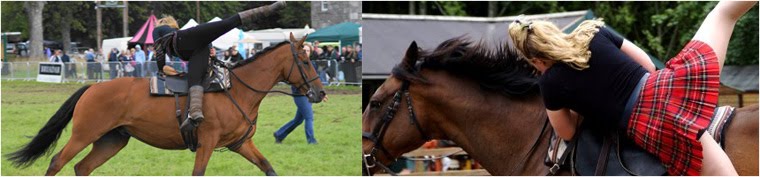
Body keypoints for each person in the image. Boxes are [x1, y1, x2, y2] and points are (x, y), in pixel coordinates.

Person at [507, 1, 755, 176]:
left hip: (652, 122)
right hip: (669, 84)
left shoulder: (549, 83)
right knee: (723, 13)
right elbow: (647, 64)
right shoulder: (593, 31)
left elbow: (568, 132)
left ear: (536, 60)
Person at [151, 1, 287, 131]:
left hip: (189, 45)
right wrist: (210, 51)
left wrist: (162, 68)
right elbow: (163, 53)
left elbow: (159, 53)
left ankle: (195, 112)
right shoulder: (166, 30)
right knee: (227, 24)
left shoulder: (160, 30)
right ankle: (269, 9)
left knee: (196, 77)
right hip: (189, 43)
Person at [274, 44, 327, 144]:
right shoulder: (298, 65)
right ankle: (311, 141)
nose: (306, 52)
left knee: (298, 120)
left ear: (310, 53)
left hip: (310, 95)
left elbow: (315, 82)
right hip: (300, 95)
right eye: (304, 50)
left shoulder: (311, 65)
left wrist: (322, 93)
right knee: (309, 117)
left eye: (308, 50)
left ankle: (279, 134)